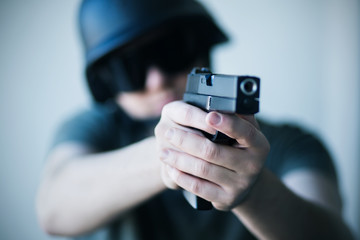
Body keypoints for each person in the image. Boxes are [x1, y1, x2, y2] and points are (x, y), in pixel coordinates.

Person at [36, 0, 354, 239]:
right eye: (129, 68)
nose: (156, 80)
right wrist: (166, 157)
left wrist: (253, 191)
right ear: (105, 85)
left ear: (200, 46)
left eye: (171, 50)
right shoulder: (96, 128)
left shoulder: (290, 144)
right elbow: (54, 209)